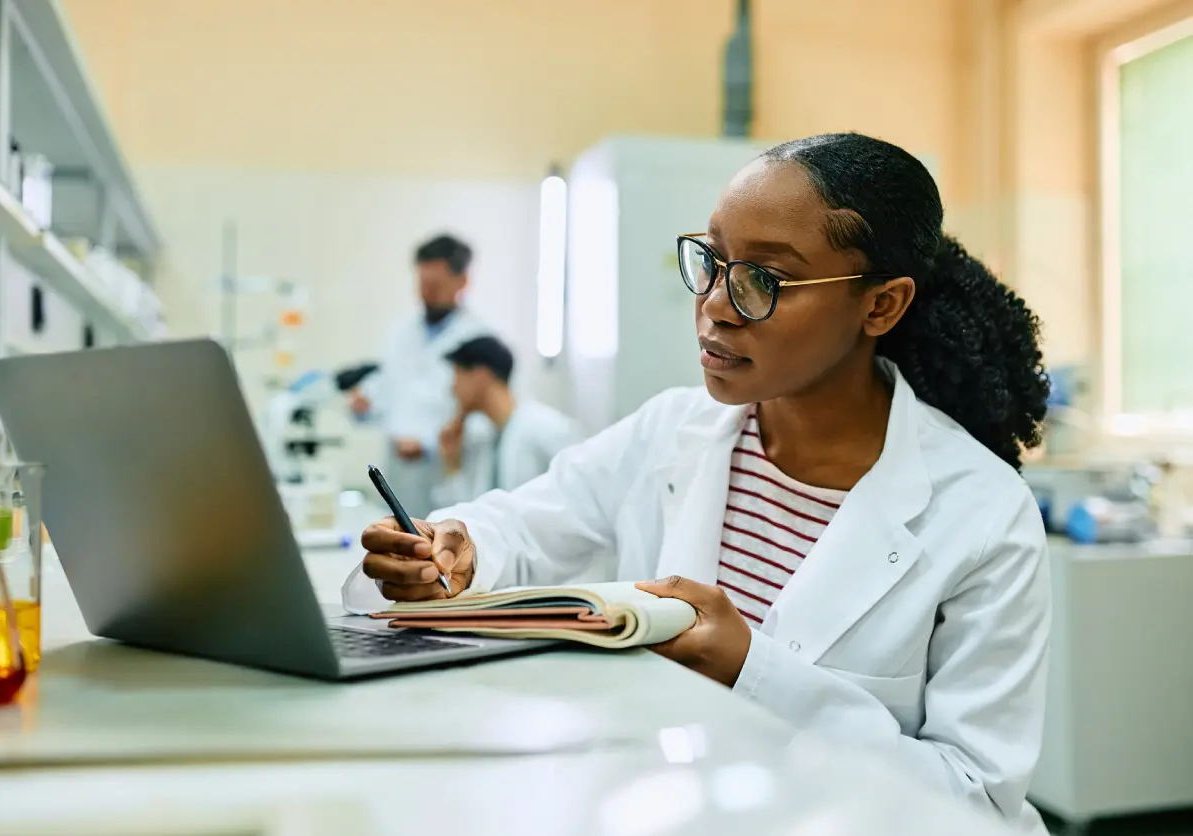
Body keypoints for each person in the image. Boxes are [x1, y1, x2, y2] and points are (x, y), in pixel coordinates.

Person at [355, 134, 1051, 830]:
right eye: (712, 262)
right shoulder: (672, 431)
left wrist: (754, 671)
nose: (715, 305)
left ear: (881, 306)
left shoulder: (982, 514)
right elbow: (524, 524)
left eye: (763, 280)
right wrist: (458, 547)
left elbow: (973, 801)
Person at [350, 234, 490, 517]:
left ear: (462, 281)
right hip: (397, 474)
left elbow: (484, 421)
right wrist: (366, 406)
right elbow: (390, 393)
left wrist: (427, 445)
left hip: (444, 480)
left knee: (440, 547)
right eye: (423, 285)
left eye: (436, 286)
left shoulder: (480, 340)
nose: (427, 294)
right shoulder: (402, 332)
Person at [432, 336, 580, 507]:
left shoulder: (547, 428)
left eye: (457, 375)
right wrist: (452, 465)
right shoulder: (486, 439)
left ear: (480, 376)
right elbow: (470, 515)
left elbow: (578, 498)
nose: (452, 389)